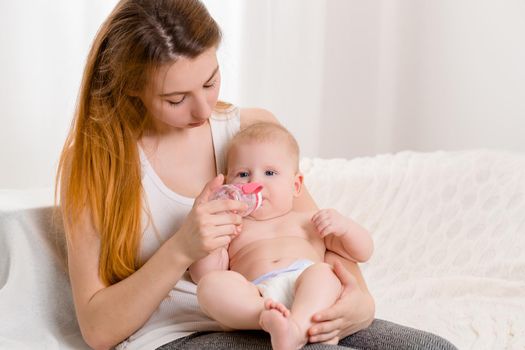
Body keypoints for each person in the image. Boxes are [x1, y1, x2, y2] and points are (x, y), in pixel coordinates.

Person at [55, 0, 457, 349]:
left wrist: (360, 301)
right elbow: (98, 329)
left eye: (210, 81)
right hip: (183, 332)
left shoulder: (252, 133)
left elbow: (317, 236)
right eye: (175, 99)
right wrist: (183, 247)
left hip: (296, 302)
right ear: (131, 88)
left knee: (433, 346)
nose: (202, 110)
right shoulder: (99, 163)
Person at [189, 122, 374, 350]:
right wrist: (213, 236)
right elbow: (203, 274)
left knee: (324, 273)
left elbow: (363, 252)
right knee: (209, 286)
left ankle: (296, 327)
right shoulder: (233, 227)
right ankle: (267, 319)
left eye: (270, 173)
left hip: (304, 284)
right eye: (243, 174)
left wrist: (344, 227)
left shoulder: (309, 220)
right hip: (256, 294)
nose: (255, 182)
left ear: (295, 185)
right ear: (228, 184)